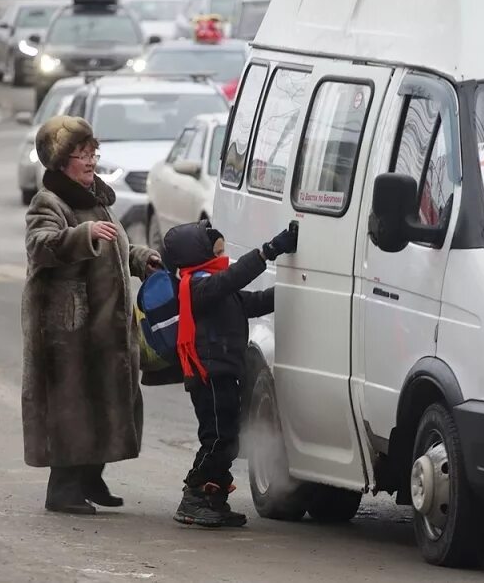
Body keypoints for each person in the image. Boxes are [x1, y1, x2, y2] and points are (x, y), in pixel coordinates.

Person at [21, 115, 161, 515]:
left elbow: (116, 246)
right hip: (67, 326)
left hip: (104, 324)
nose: (90, 160)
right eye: (82, 154)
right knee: (71, 404)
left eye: (92, 152)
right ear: (61, 160)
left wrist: (141, 259)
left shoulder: (97, 199)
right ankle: (63, 488)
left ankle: (90, 475)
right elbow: (40, 246)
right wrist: (83, 236)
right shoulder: (49, 201)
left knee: (108, 396)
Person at [161, 219, 297, 528]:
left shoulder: (215, 283)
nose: (224, 255)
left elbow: (255, 302)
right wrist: (268, 252)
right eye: (217, 249)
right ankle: (193, 497)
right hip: (208, 374)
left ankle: (215, 499)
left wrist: (295, 290)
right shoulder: (196, 285)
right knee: (218, 438)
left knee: (229, 438)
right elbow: (232, 280)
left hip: (222, 372)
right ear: (197, 255)